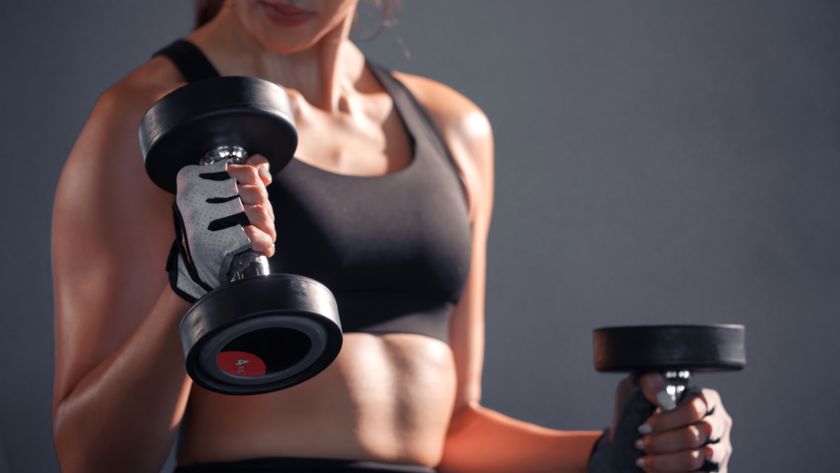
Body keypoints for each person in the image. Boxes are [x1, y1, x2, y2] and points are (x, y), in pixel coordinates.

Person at [51, 1, 734, 472]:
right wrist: (189, 291)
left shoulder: (455, 129)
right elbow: (93, 457)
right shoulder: (144, 119)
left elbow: (451, 426)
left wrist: (618, 453)